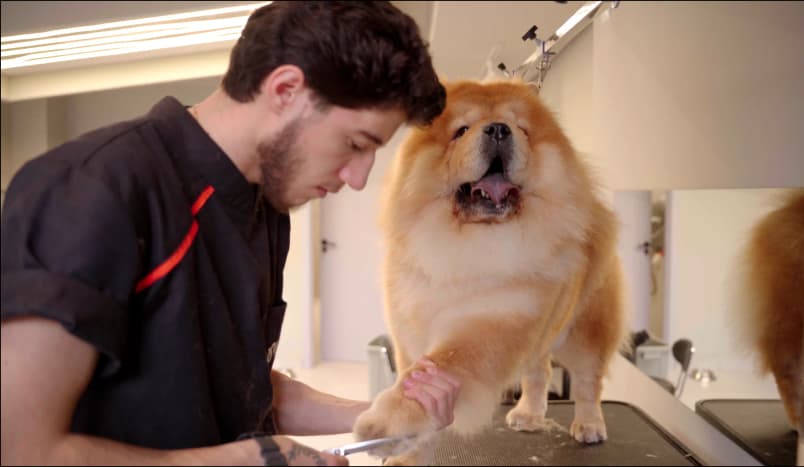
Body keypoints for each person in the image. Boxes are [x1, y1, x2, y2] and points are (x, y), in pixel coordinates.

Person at [0, 2, 459, 465]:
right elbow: (21, 450)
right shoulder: (90, 190)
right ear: (285, 90)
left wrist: (381, 414)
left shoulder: (265, 208)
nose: (358, 178)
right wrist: (243, 460)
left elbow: (238, 390)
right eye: (355, 144)